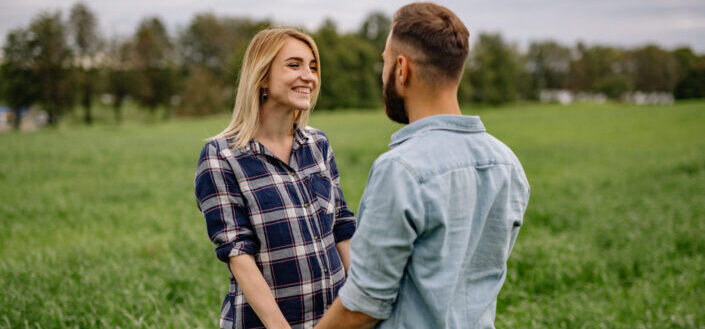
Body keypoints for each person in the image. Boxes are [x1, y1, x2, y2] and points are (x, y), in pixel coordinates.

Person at [315, 3, 530, 329]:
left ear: (402, 69)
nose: (384, 73)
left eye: (385, 62)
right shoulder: (508, 164)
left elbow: (363, 305)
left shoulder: (401, 169)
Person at [194, 28, 356, 329]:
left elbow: (341, 226)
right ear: (263, 77)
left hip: (334, 320)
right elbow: (237, 251)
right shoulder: (221, 156)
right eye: (294, 65)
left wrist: (361, 302)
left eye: (313, 66)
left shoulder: (318, 144)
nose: (308, 76)